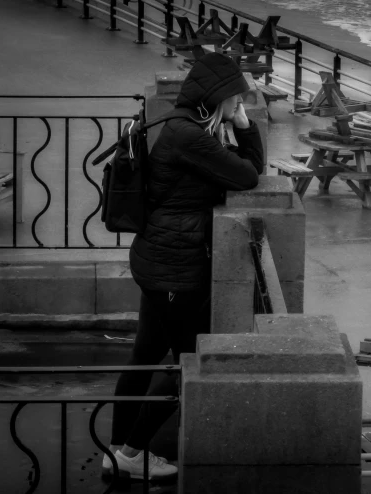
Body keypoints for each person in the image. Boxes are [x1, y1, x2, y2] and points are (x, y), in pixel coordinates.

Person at [102, 52, 264, 480]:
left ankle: (115, 453)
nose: (238, 106)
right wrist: (246, 129)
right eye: (235, 99)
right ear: (217, 98)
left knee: (145, 355)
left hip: (157, 257)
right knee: (189, 363)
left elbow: (240, 172)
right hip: (174, 266)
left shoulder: (181, 127)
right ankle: (134, 455)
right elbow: (250, 176)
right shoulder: (190, 137)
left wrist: (237, 122)